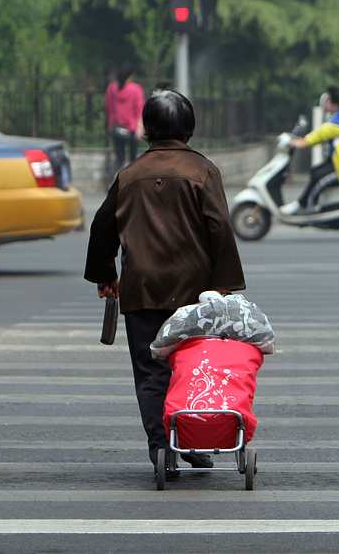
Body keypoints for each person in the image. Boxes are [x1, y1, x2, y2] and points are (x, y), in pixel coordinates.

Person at [84, 86, 246, 476]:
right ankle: (191, 440)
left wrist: (106, 275)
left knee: (151, 372)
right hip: (198, 293)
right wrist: (223, 285)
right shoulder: (203, 171)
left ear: (146, 129)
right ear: (189, 128)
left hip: (143, 293)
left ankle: (162, 448)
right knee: (194, 369)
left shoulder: (129, 175)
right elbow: (220, 228)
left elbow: (101, 228)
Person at [283, 86, 339, 214]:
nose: (325, 102)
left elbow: (324, 132)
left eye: (328, 99)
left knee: (320, 179)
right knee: (316, 171)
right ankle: (302, 204)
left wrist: (303, 142)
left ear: (335, 104)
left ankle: (307, 209)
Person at [104, 61, 145, 180]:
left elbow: (108, 108)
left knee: (119, 160)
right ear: (131, 75)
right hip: (132, 130)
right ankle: (132, 182)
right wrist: (139, 128)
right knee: (133, 160)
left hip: (116, 128)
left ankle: (110, 177)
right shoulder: (136, 89)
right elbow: (139, 110)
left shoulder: (111, 88)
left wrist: (111, 124)